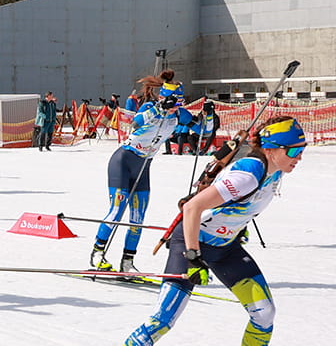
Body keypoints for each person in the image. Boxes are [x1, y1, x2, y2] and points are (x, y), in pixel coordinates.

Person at [125, 116, 305, 345]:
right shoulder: (248, 175)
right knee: (162, 320)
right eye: (293, 151)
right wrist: (192, 257)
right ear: (271, 149)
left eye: (302, 150)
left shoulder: (276, 171)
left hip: (224, 246)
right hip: (192, 243)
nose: (299, 157)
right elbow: (192, 207)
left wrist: (238, 227)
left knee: (264, 314)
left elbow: (242, 203)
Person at [90, 72, 195, 272]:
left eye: (179, 103)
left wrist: (207, 115)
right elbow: (135, 123)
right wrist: (158, 109)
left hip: (144, 166)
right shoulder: (149, 107)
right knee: (116, 212)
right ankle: (97, 254)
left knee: (138, 219)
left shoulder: (179, 114)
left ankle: (127, 263)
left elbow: (202, 130)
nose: (176, 107)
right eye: (173, 103)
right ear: (163, 98)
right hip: (123, 161)